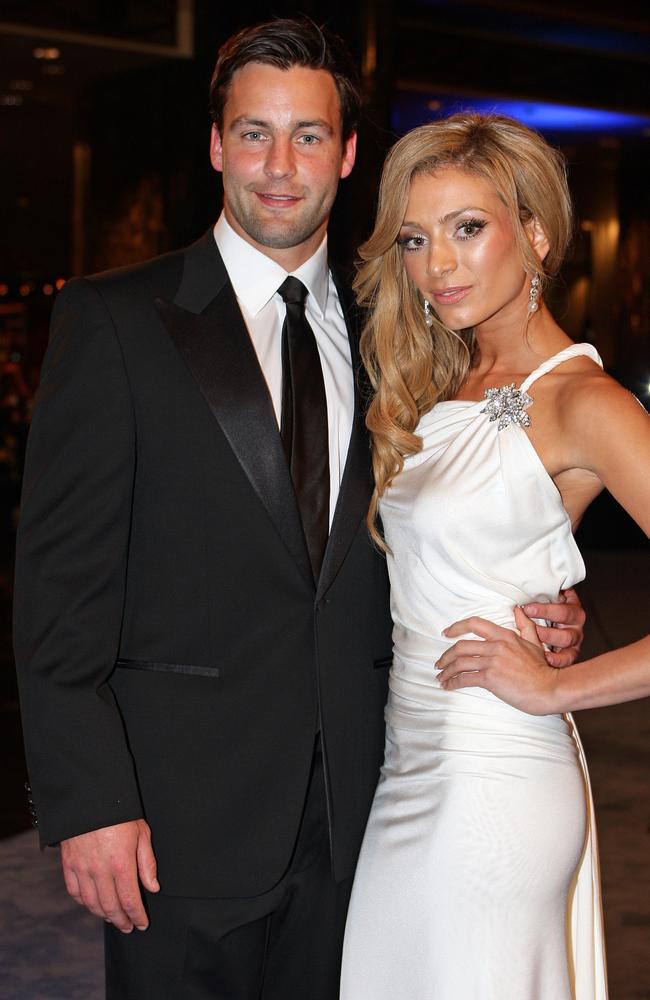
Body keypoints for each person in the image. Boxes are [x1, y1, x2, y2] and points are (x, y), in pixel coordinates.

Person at [13, 20, 585, 998]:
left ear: (348, 152)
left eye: (309, 135)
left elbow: (446, 524)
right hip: (176, 823)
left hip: (368, 818)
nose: (280, 166)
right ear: (214, 144)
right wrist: (89, 800)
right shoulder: (114, 321)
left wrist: (541, 604)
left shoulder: (403, 339)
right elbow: (58, 587)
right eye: (253, 133)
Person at [339, 113, 644, 998]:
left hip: (495, 786)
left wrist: (557, 686)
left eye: (468, 228)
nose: (438, 264)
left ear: (536, 235)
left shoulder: (583, 400)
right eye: (416, 237)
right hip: (408, 769)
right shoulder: (442, 383)